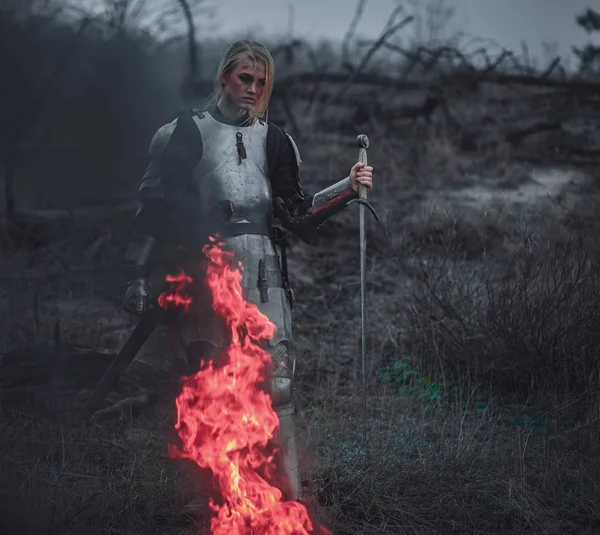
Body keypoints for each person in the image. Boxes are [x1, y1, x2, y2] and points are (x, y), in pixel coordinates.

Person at [122, 39, 374, 506]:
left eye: (261, 82)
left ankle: (290, 504)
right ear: (223, 77)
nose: (253, 89)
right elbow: (152, 213)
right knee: (209, 390)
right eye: (245, 79)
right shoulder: (182, 134)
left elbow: (296, 214)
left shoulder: (276, 141)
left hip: (266, 279)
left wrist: (348, 187)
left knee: (278, 391)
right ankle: (218, 503)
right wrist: (136, 274)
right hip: (206, 277)